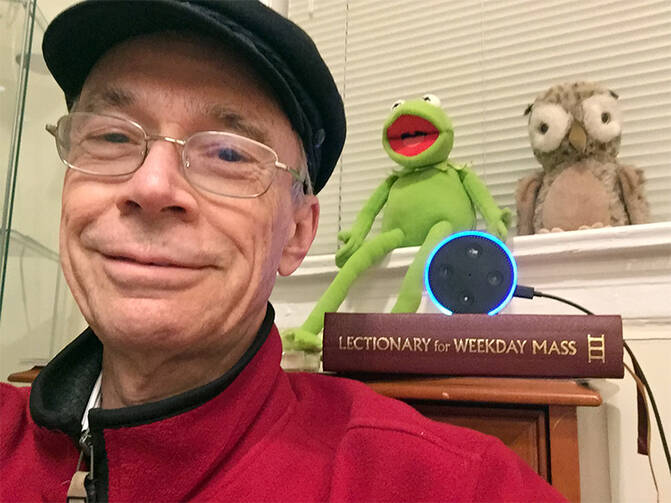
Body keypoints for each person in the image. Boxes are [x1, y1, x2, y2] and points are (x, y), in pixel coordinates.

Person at [0, 1, 567, 502]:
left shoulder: (455, 485)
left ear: (297, 233)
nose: (150, 187)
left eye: (227, 153)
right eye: (114, 136)